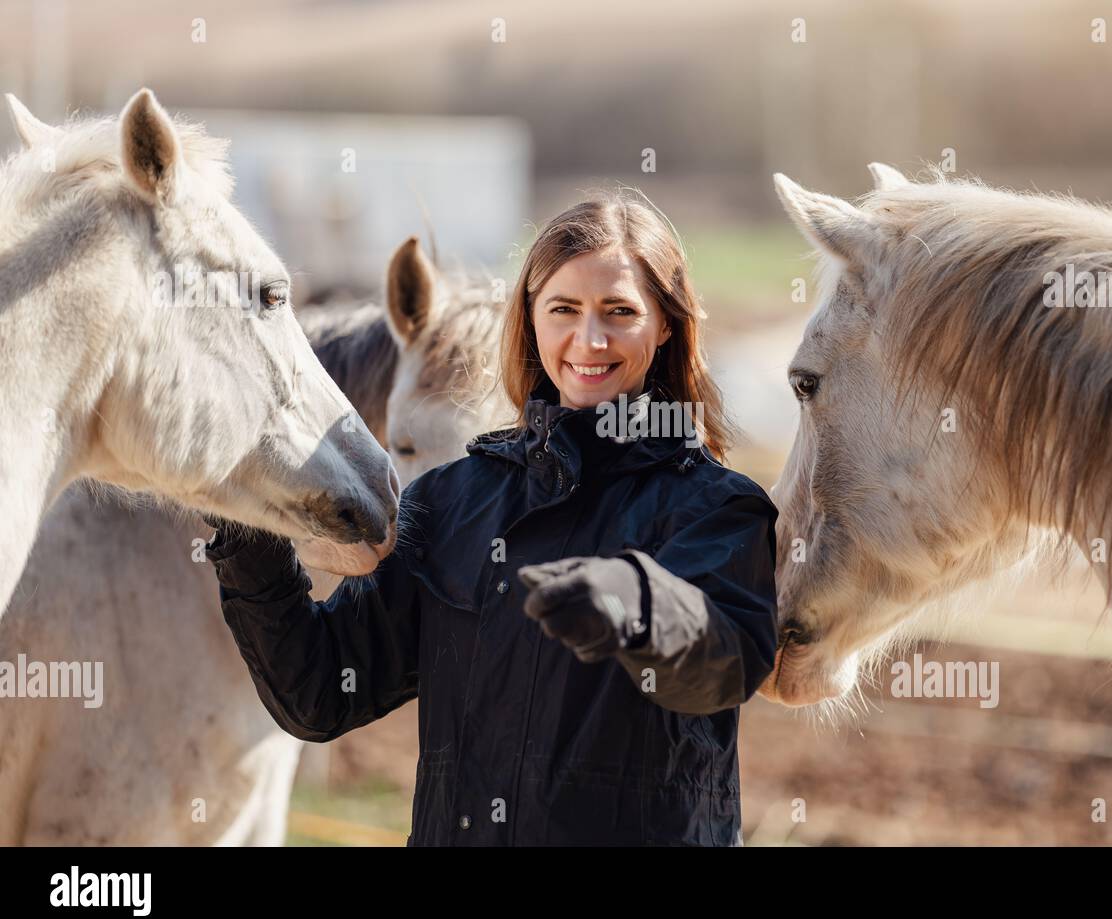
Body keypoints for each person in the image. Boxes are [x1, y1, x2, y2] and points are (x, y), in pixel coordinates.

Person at [206, 195, 779, 846]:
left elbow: (720, 664)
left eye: (620, 312)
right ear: (531, 318)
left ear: (667, 325)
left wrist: (636, 600)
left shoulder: (719, 508)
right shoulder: (453, 501)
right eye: (564, 309)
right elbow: (318, 693)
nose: (589, 339)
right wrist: (246, 529)